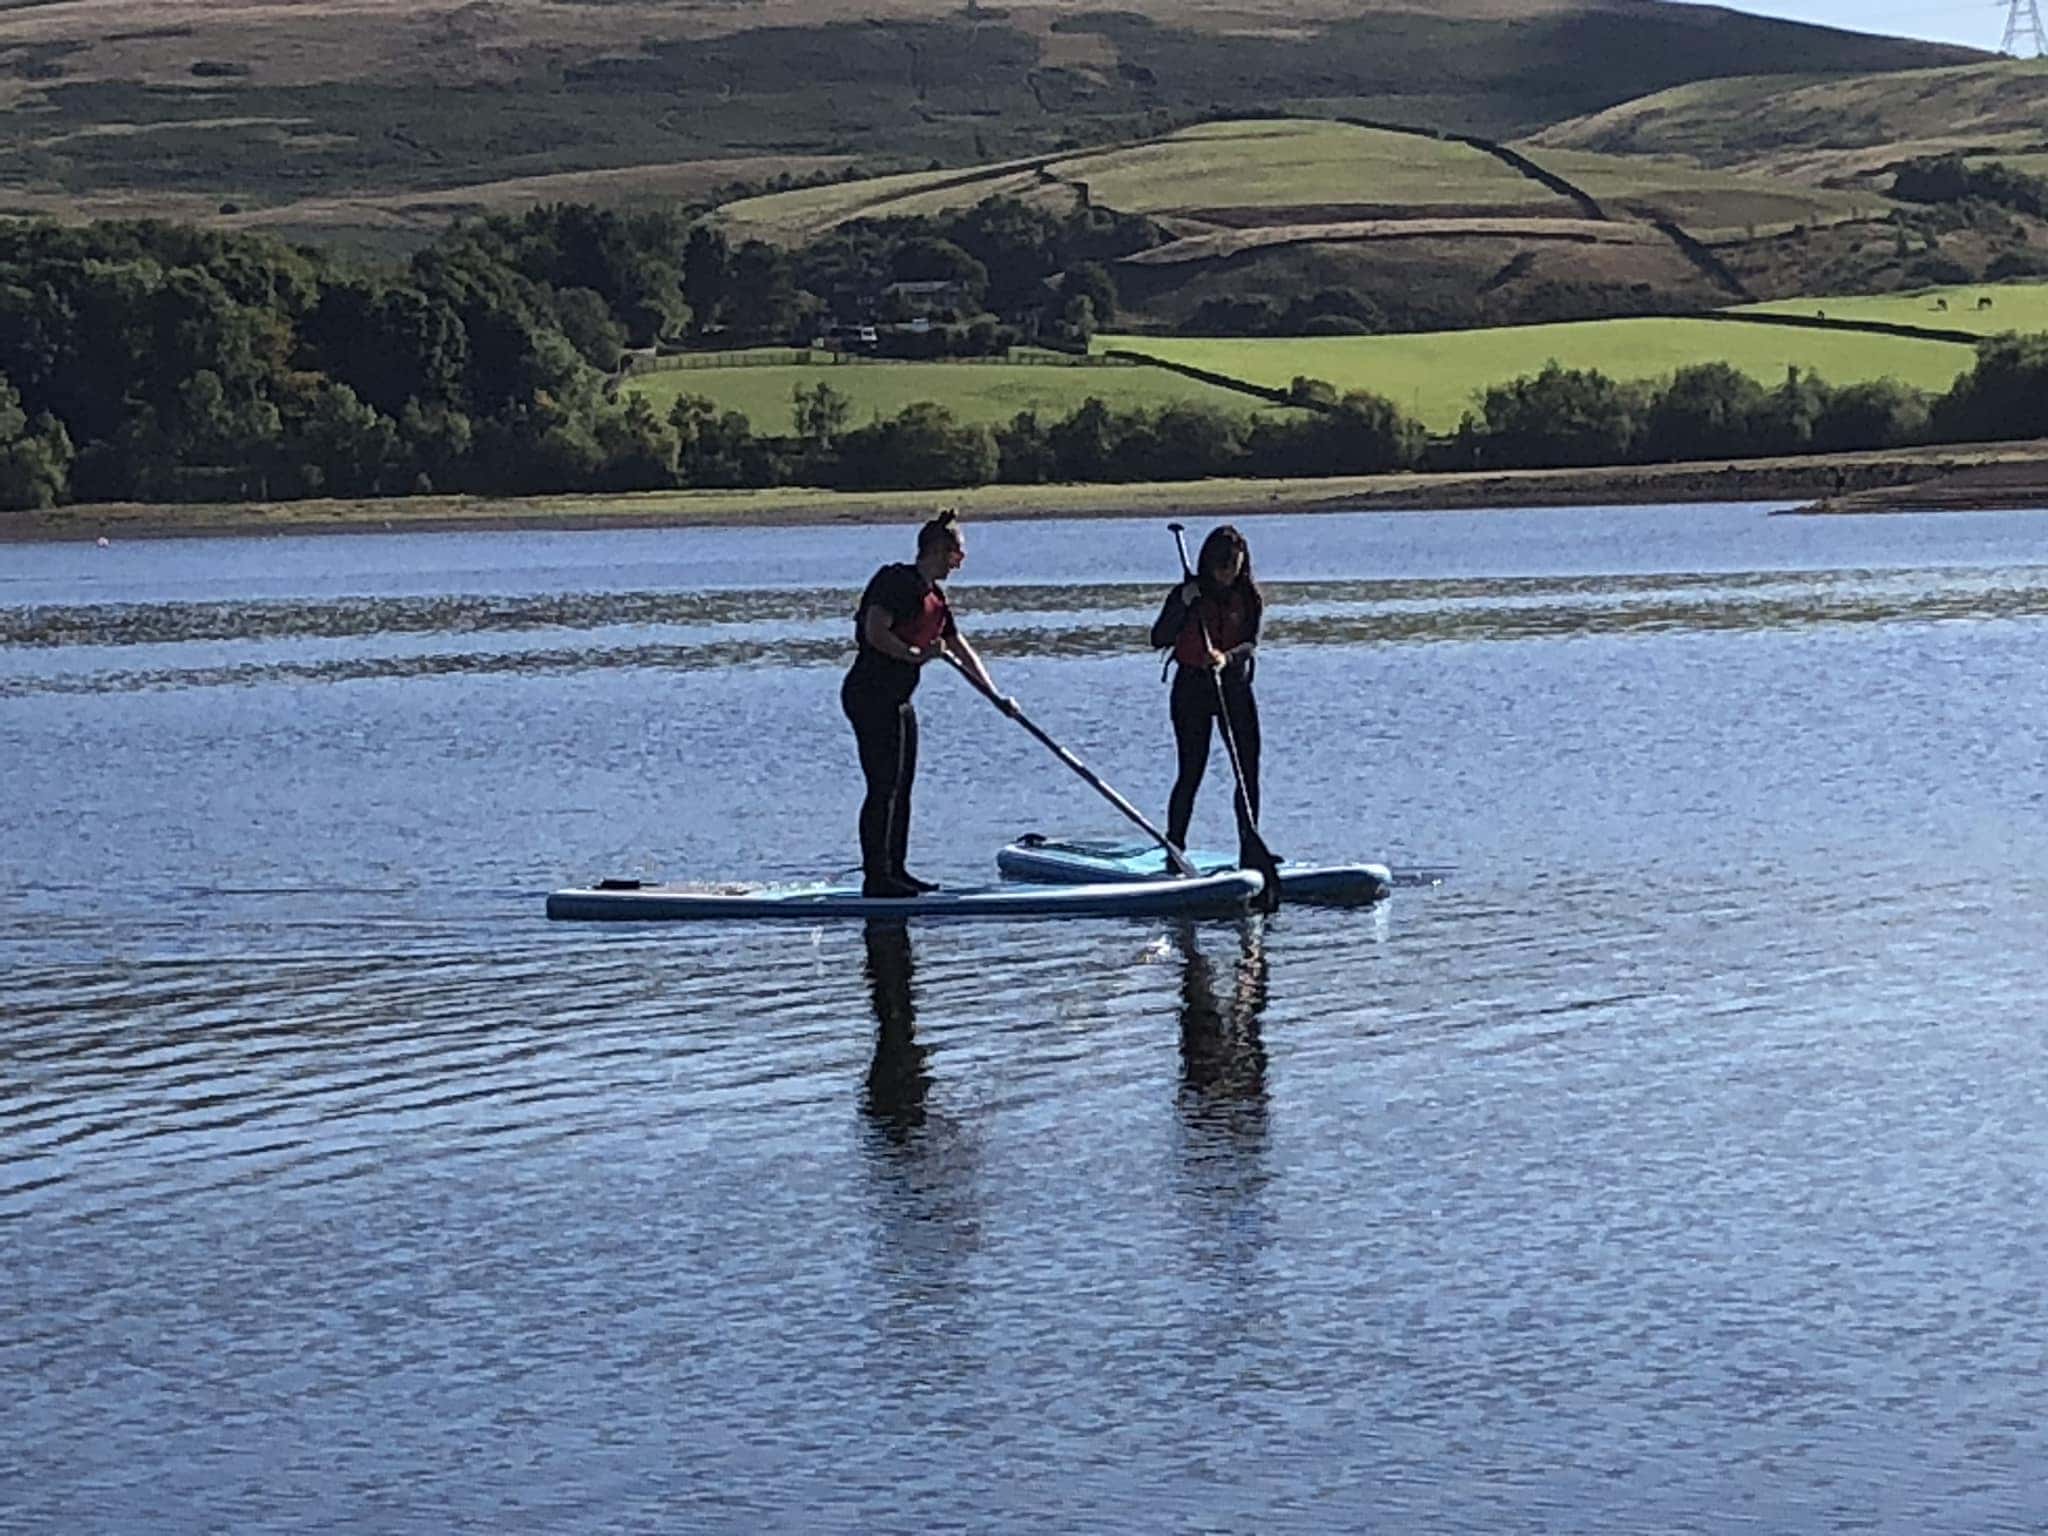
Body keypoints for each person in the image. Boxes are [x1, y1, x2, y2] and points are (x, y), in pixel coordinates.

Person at [842, 510, 1011, 898]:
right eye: (957, 553)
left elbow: (959, 648)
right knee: (882, 785)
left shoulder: (936, 597)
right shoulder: (894, 581)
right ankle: (876, 878)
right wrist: (917, 654)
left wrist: (996, 695)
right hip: (868, 695)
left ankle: (895, 870)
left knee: (902, 787)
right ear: (938, 549)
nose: (961, 562)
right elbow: (875, 632)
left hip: (899, 700)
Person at [1149, 524, 1265, 866]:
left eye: (1236, 566)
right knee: (1191, 770)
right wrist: (1182, 607)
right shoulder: (1188, 594)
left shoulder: (1250, 598)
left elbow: (1250, 645)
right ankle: (1175, 848)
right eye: (1222, 567)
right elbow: (1158, 637)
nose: (1229, 574)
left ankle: (1251, 847)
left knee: (1247, 770)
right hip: (1192, 690)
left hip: (1234, 689)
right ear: (1209, 564)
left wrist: (1226, 658)